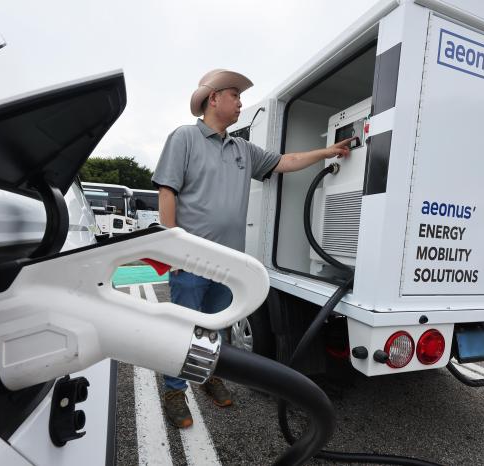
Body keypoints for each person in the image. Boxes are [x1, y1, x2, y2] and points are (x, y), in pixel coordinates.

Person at [151, 69, 354, 429]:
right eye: (235, 95)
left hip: (227, 263)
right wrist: (172, 250)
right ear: (213, 99)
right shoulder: (184, 137)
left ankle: (210, 375)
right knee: (183, 330)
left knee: (217, 330)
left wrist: (328, 150)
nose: (240, 102)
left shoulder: (242, 149)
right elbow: (167, 192)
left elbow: (284, 162)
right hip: (190, 259)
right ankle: (174, 391)